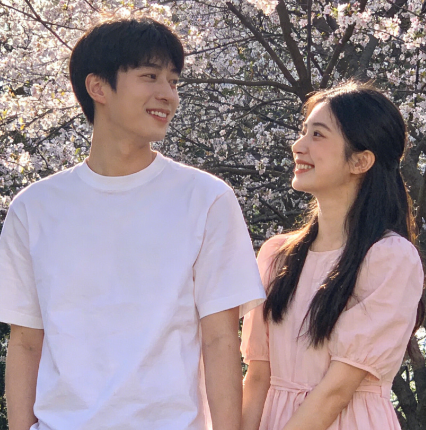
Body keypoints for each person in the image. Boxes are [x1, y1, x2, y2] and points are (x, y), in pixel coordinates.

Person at [0, 17, 265, 430]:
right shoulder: (34, 209)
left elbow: (219, 339)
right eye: (149, 76)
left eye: (173, 81)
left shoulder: (206, 199)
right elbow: (26, 342)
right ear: (98, 87)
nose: (168, 94)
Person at [240, 81, 425, 430]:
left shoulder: (390, 258)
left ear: (360, 161)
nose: (298, 145)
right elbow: (258, 375)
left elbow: (336, 391)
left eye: (318, 135)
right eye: (303, 131)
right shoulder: (276, 256)